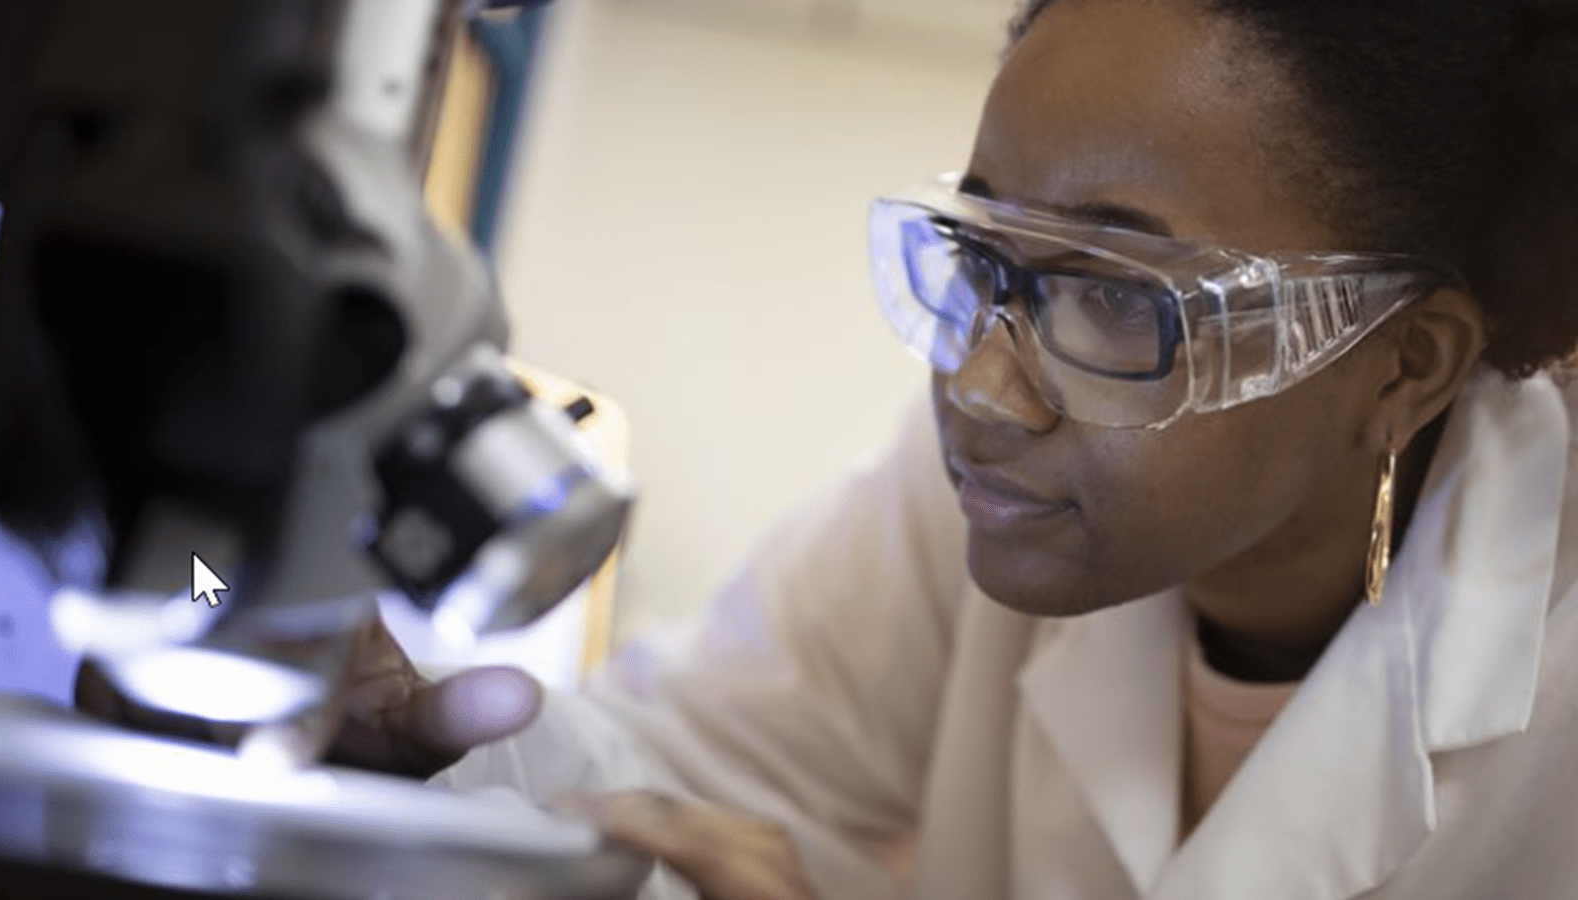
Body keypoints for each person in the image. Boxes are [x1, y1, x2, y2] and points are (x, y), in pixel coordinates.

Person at [77, 0, 1578, 897]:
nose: (984, 387)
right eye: (985, 257)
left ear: (1409, 358)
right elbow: (680, 774)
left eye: (1116, 297)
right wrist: (429, 764)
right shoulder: (978, 521)